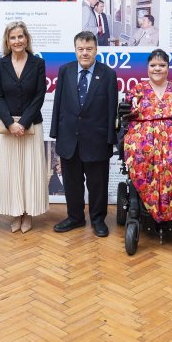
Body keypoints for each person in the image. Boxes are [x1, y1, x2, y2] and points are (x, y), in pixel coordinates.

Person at [50, 31, 118, 236]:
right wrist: (55, 132)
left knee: (97, 184)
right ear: (75, 50)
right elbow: (58, 103)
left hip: (97, 140)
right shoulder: (65, 71)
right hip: (69, 138)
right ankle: (75, 217)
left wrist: (110, 139)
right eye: (80, 49)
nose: (85, 53)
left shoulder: (108, 74)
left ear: (96, 50)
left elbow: (112, 109)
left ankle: (98, 219)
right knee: (72, 183)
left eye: (89, 49)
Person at [123, 49, 172, 223]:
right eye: (153, 65)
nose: (157, 69)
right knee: (139, 153)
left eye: (162, 65)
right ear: (147, 67)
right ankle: (150, 205)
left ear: (168, 67)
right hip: (144, 132)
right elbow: (129, 108)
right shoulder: (138, 89)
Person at [0, 21, 48, 233]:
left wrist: (22, 123)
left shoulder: (38, 63)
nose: (17, 41)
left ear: (27, 39)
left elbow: (39, 95)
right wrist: (10, 123)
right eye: (13, 37)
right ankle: (16, 213)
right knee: (12, 171)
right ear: (8, 41)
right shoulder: (0, 64)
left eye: (20, 36)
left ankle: (28, 213)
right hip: (8, 127)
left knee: (30, 171)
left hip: (31, 125)